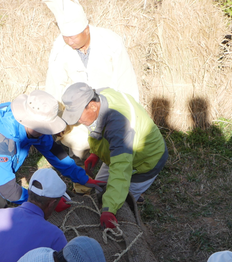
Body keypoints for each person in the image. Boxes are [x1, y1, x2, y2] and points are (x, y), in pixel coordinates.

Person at [0, 89, 105, 246]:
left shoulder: (35, 129)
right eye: (43, 128)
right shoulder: (0, 141)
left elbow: (54, 152)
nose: (45, 133)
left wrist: (84, 178)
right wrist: (42, 203)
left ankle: (0, 249)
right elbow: (9, 191)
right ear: (28, 121)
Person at [43, 0, 140, 193]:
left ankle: (121, 188)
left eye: (73, 36)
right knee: (77, 147)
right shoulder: (60, 48)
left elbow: (125, 80)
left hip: (109, 106)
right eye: (65, 37)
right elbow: (55, 83)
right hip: (77, 109)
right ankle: (82, 187)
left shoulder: (110, 42)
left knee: (116, 148)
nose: (69, 41)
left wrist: (129, 113)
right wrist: (55, 119)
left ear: (86, 29)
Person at [61, 82, 168, 228]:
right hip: (119, 153)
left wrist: (109, 210)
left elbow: (121, 169)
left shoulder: (118, 125)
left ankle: (125, 225)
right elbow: (99, 131)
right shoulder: (100, 97)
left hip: (145, 161)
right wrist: (96, 154)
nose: (78, 121)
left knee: (122, 204)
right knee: (100, 189)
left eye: (78, 116)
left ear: (92, 106)